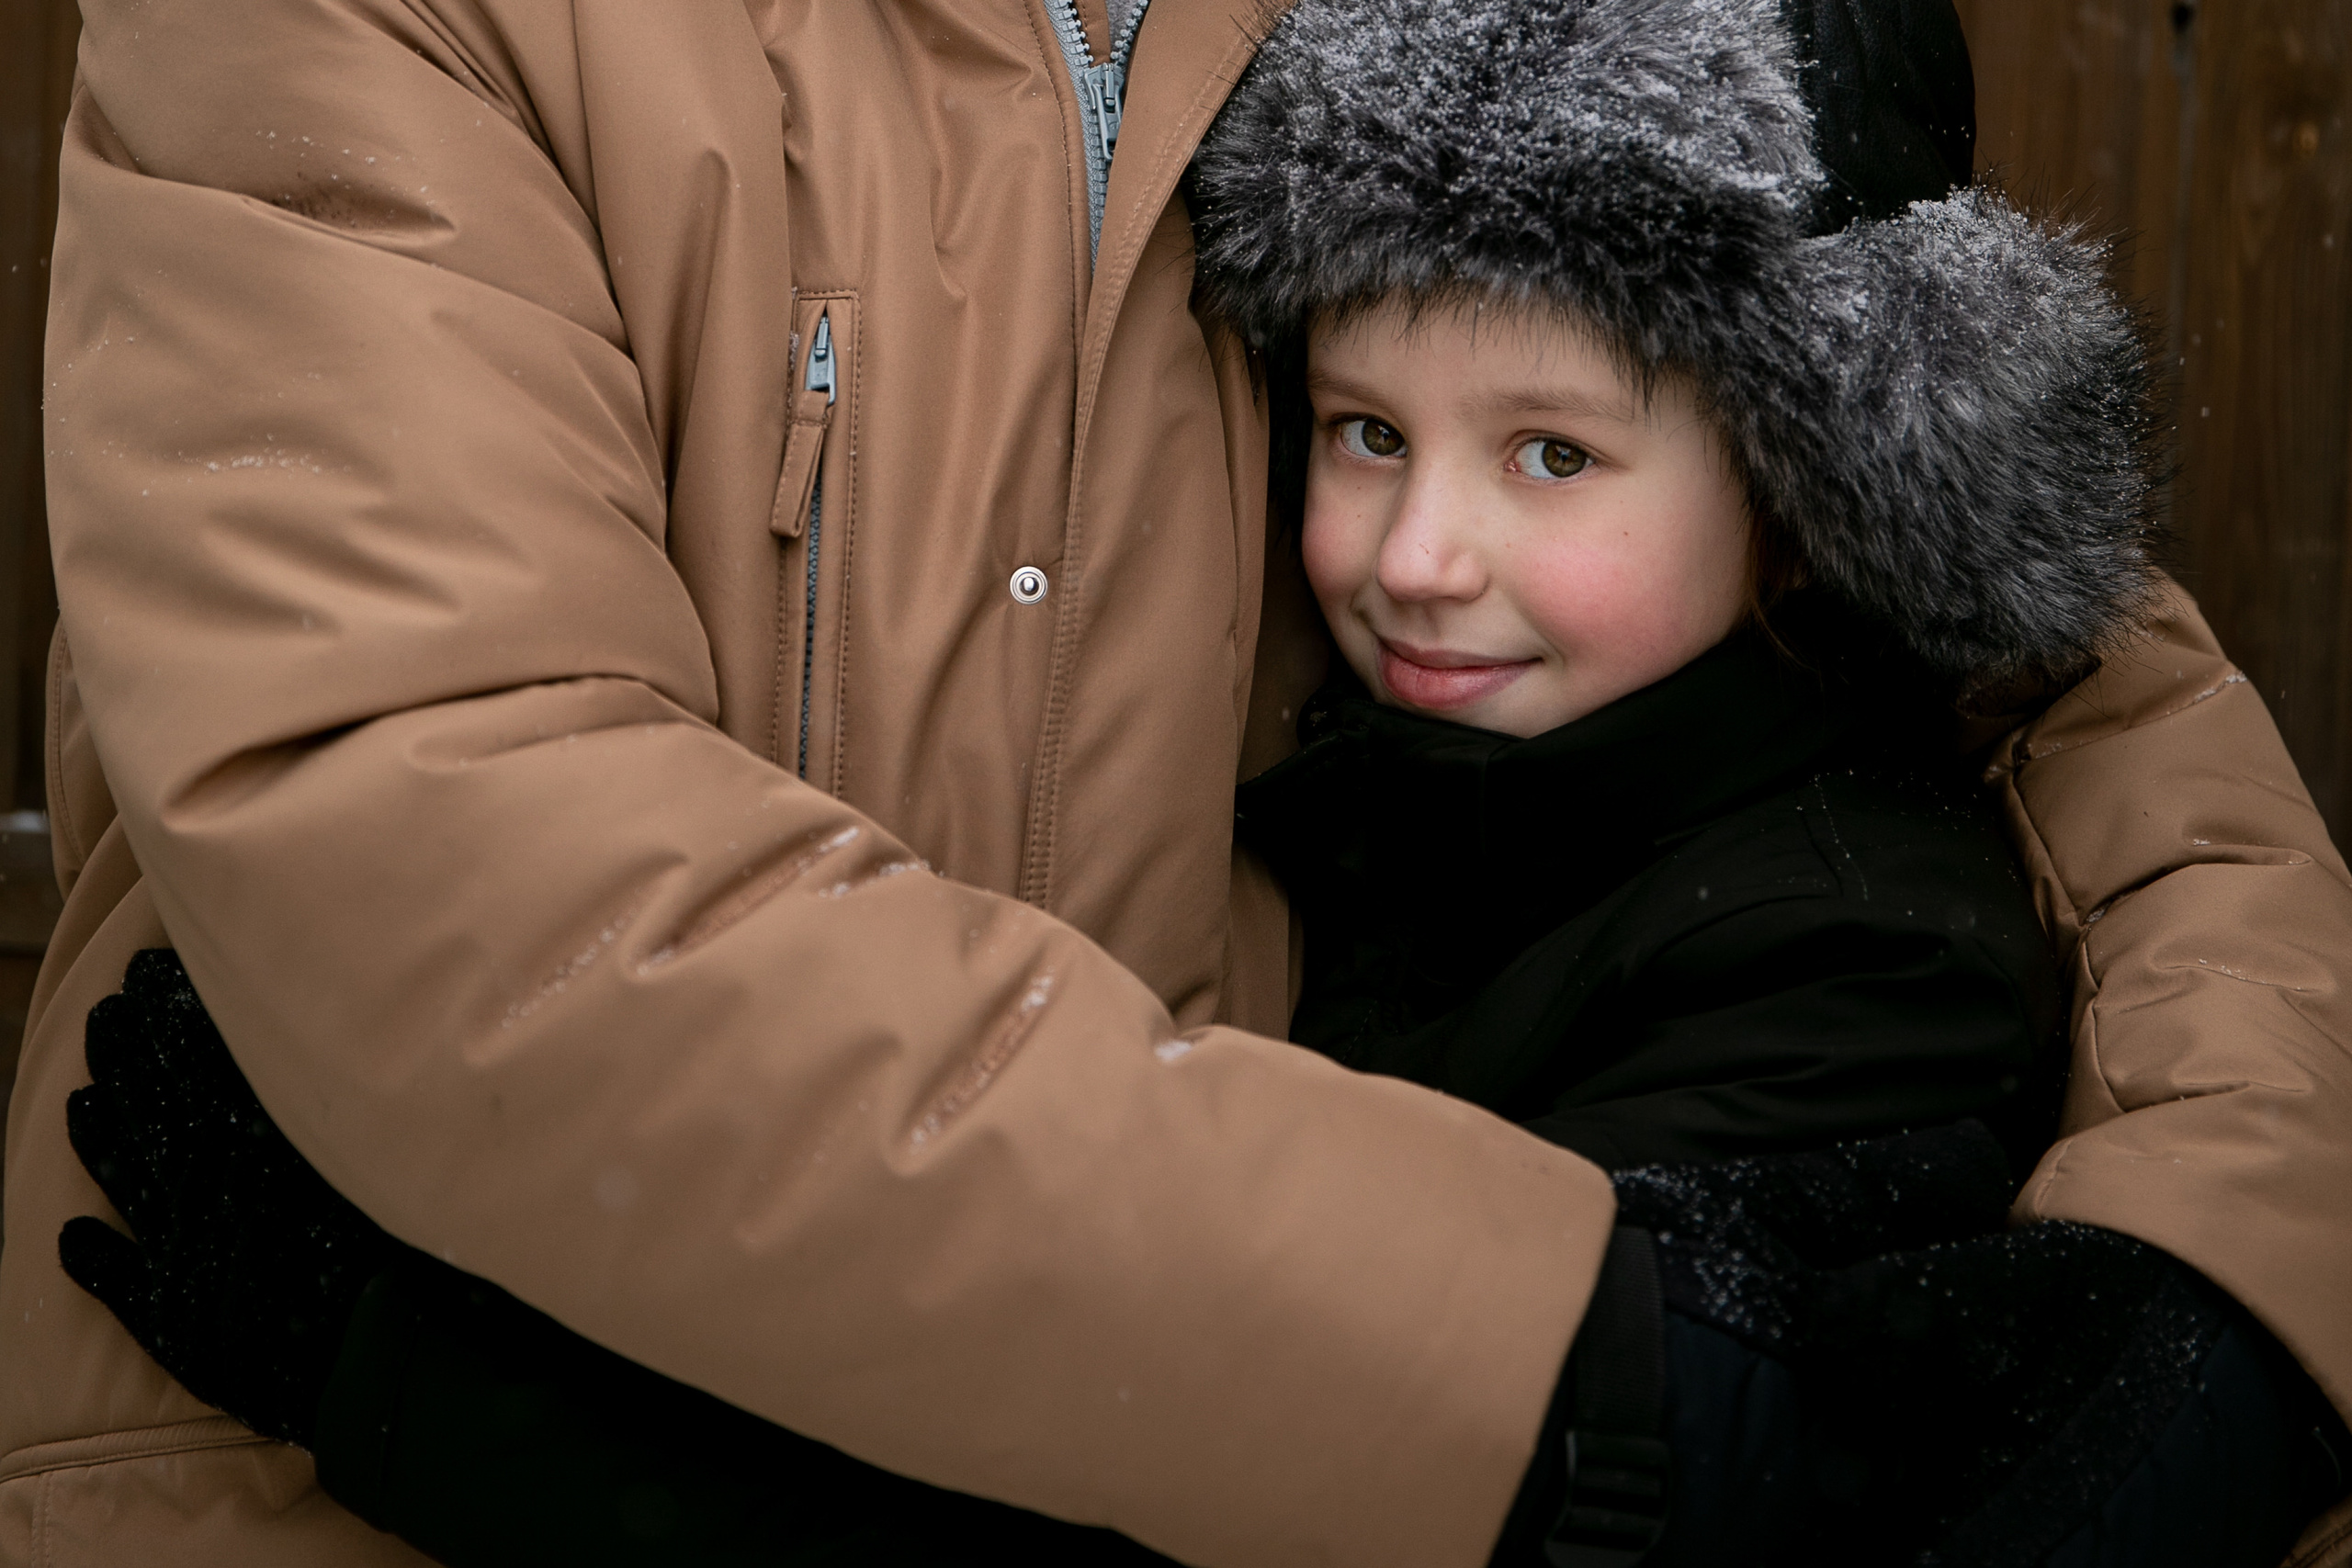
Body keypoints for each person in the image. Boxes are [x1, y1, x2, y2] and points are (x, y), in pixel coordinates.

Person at [7, 0, 2351, 1564]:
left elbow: (2009, 619)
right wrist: (1575, 1381)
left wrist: (2236, 1263)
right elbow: (464, 840)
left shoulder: (1789, 916)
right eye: (1361, 437)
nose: (1422, 550)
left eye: (1532, 454)